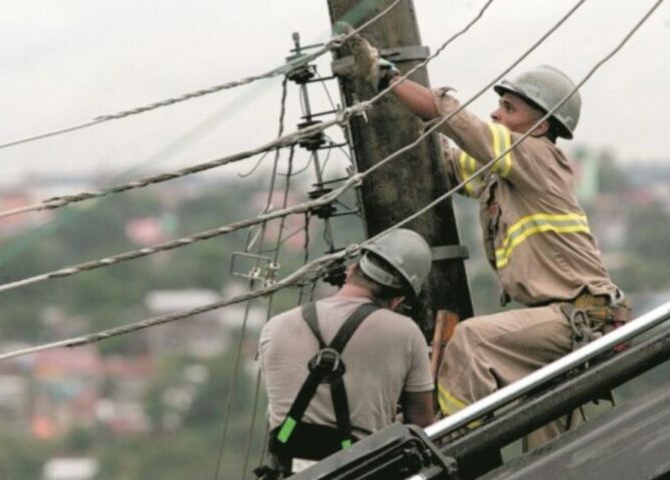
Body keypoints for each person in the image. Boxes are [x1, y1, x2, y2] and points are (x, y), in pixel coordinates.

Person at [344, 37, 630, 453]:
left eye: (509, 109)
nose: (496, 113)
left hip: (575, 317)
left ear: (540, 126)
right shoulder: (509, 175)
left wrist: (388, 77)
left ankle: (453, 442)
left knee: (472, 341)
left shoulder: (536, 156)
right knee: (545, 428)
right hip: (561, 322)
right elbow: (455, 161)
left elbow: (458, 123)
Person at [258, 228, 435, 477]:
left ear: (352, 270)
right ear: (398, 299)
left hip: (292, 471)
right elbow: (421, 425)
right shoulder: (406, 333)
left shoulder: (275, 327)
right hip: (360, 470)